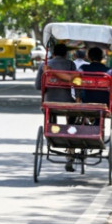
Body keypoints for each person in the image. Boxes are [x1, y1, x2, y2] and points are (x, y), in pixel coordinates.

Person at [34, 42, 77, 171]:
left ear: (53, 53)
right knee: (73, 115)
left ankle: (52, 134)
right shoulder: (70, 64)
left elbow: (38, 86)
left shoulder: (44, 65)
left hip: (49, 101)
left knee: (50, 113)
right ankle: (70, 145)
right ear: (65, 54)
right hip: (67, 101)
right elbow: (77, 83)